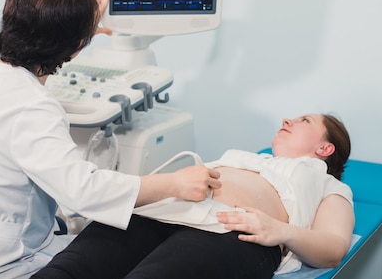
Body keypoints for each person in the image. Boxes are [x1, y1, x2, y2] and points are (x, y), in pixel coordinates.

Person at [0, 0, 221, 279]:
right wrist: (174, 183)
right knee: (128, 240)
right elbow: (84, 192)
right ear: (74, 46)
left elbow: (28, 82)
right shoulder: (33, 107)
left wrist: (77, 29)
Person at [31, 113, 354, 279]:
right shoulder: (244, 156)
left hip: (230, 231)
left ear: (325, 148)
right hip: (159, 211)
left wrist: (281, 231)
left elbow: (333, 249)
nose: (288, 120)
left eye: (304, 120)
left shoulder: (329, 185)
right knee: (65, 273)